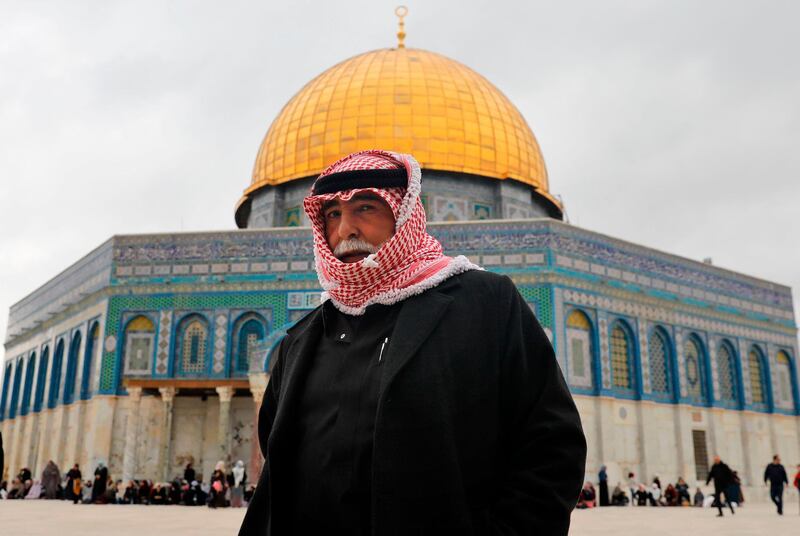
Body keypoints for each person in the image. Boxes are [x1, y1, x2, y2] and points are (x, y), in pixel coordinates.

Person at [239, 150, 587, 536]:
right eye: (333, 214)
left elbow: (551, 445)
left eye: (365, 208)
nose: (346, 230)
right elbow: (280, 451)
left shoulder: (482, 305)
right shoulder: (303, 338)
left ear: (404, 212)